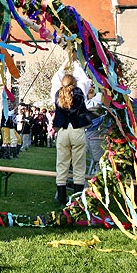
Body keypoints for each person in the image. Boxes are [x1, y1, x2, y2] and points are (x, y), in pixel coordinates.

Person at [51, 61, 91, 206]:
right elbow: (84, 79)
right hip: (77, 131)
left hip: (62, 132)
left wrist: (64, 64)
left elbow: (56, 77)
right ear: (74, 82)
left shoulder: (57, 92)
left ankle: (62, 200)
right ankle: (77, 200)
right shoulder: (80, 90)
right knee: (79, 165)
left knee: (61, 164)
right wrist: (77, 64)